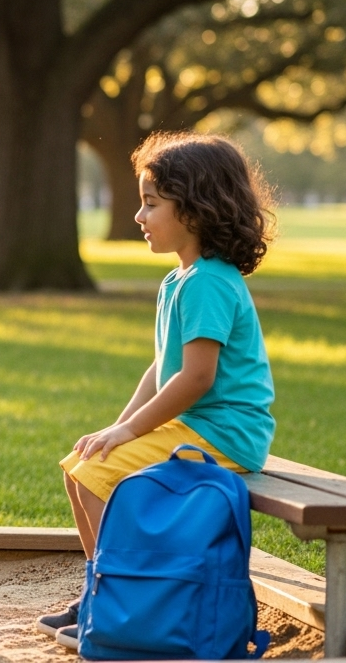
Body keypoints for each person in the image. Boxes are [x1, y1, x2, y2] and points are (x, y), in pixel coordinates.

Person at [41, 132, 277, 649]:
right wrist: (118, 427)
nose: (138, 216)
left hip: (225, 432)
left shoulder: (209, 282)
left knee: (95, 477)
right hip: (201, 423)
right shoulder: (180, 280)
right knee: (81, 467)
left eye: (151, 204)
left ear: (194, 210)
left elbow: (196, 378)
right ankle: (104, 592)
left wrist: (128, 431)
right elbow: (161, 367)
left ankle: (125, 599)